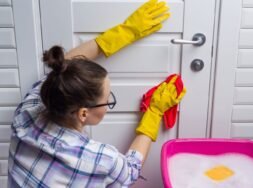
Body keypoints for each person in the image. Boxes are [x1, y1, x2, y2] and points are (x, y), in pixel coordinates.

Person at [7, 0, 186, 187]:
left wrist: (126, 32)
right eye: (107, 100)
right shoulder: (98, 159)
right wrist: (154, 112)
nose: (108, 102)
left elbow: (62, 67)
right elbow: (130, 170)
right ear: (83, 113)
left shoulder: (26, 113)